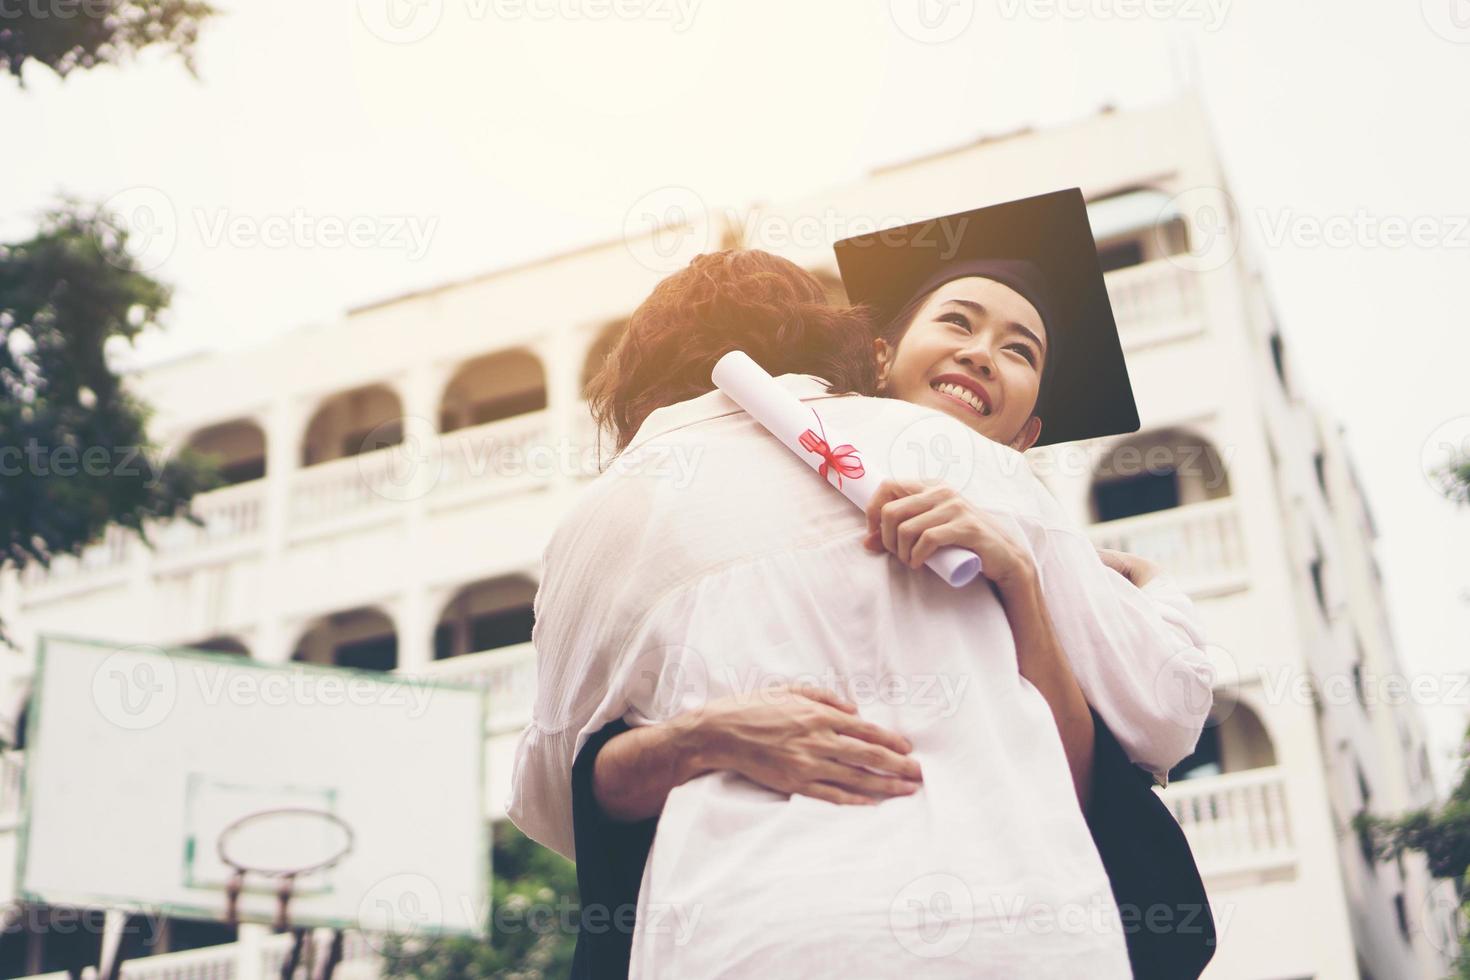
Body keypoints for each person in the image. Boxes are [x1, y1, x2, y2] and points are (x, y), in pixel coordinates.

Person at [507, 191, 1215, 977]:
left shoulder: (597, 520)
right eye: (955, 321)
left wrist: (1020, 581)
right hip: (1018, 933)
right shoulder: (966, 462)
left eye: (1020, 350)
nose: (979, 356)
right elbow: (1169, 705)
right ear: (867, 355)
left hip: (746, 938)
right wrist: (1151, 589)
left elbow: (551, 800)